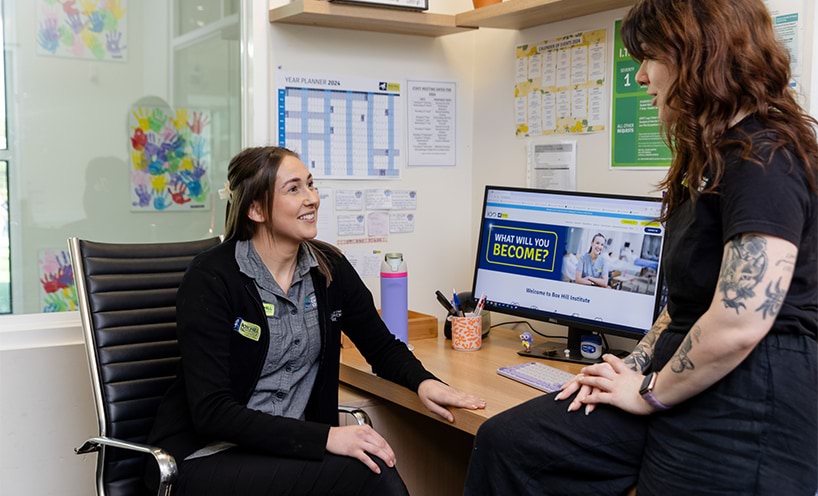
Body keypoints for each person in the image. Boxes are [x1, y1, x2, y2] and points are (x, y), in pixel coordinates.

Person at [465, 0, 818, 494]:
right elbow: (685, 305)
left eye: (649, 58)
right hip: (681, 381)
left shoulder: (764, 156)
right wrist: (628, 366)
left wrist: (650, 391)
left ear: (697, 56)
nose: (640, 78)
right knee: (510, 442)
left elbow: (741, 322)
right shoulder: (710, 158)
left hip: (750, 400)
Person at [146, 146, 486, 495]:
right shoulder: (212, 277)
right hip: (207, 457)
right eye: (294, 189)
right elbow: (213, 413)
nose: (312, 199)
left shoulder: (328, 268)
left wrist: (424, 383)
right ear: (256, 209)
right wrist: (326, 437)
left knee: (372, 467)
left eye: (311, 185)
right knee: (369, 475)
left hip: (289, 453)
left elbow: (381, 347)